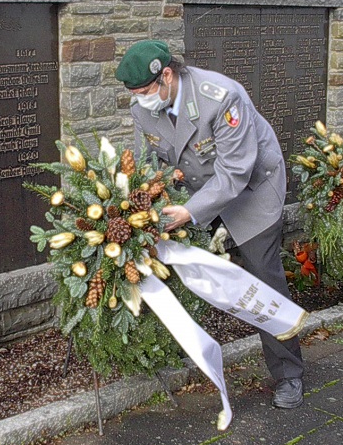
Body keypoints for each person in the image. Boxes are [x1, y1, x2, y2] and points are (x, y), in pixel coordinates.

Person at [115, 39, 305, 409]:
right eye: (135, 95)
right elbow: (150, 162)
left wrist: (189, 212)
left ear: (166, 75)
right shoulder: (143, 106)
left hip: (251, 190)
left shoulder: (221, 97)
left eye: (144, 92)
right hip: (195, 191)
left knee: (264, 279)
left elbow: (235, 170)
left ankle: (289, 375)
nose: (140, 101)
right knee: (166, 267)